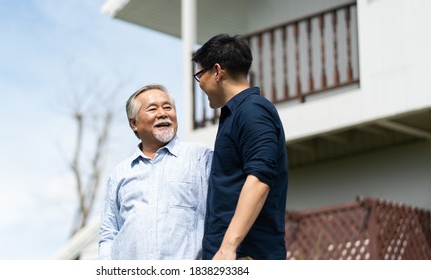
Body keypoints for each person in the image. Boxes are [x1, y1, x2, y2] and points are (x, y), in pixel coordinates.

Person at [192, 34, 289, 260]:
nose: (201, 85)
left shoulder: (253, 110)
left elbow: (260, 178)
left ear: (217, 71)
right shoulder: (237, 114)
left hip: (246, 255)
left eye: (200, 76)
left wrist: (228, 247)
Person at [98, 84, 213, 260]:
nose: (163, 113)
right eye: (152, 109)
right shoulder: (120, 173)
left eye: (168, 107)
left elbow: (223, 213)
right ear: (134, 123)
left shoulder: (200, 157)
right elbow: (108, 234)